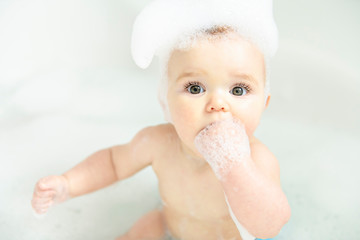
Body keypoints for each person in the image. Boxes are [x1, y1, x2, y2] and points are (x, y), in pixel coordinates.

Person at [31, 1, 291, 239]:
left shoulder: (257, 161)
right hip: (170, 227)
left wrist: (235, 166)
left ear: (264, 105)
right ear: (165, 100)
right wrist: (68, 184)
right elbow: (113, 163)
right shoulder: (159, 142)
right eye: (195, 88)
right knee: (145, 229)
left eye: (238, 90)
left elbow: (268, 226)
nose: (218, 105)